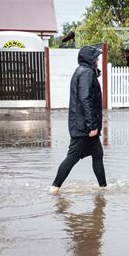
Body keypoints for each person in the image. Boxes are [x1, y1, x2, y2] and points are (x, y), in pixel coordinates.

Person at [50, 46, 107, 193]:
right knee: (73, 157)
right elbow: (85, 99)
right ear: (90, 59)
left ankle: (103, 188)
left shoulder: (83, 71)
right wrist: (92, 126)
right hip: (84, 127)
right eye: (96, 58)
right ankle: (54, 188)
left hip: (82, 124)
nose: (98, 60)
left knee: (98, 154)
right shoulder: (86, 73)